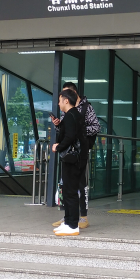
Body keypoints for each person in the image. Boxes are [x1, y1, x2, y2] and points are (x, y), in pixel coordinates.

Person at [51, 82, 100, 230]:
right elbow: (66, 131)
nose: (61, 100)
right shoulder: (68, 112)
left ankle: (81, 217)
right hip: (69, 152)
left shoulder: (85, 108)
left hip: (78, 152)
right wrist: (58, 125)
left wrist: (79, 131)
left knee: (78, 185)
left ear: (71, 95)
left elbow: (95, 127)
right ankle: (69, 217)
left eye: (64, 95)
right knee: (67, 187)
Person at [52, 89, 88, 236]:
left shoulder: (70, 116)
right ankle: (68, 222)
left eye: (60, 100)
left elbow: (70, 136)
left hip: (73, 159)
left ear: (66, 100)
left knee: (70, 191)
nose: (58, 104)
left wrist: (58, 146)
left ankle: (72, 225)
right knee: (68, 190)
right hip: (77, 158)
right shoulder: (75, 115)